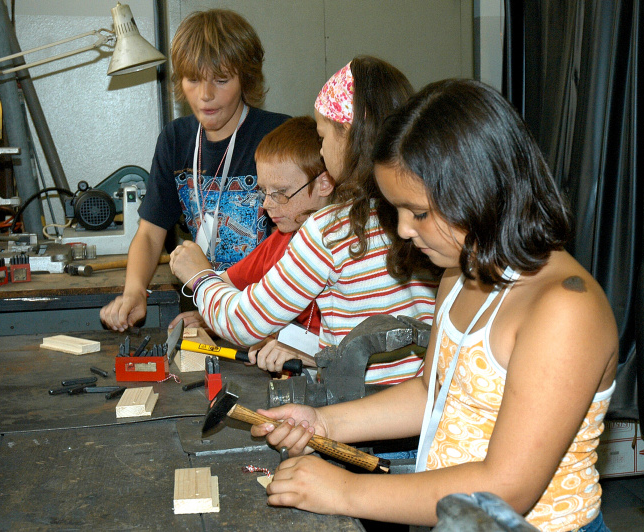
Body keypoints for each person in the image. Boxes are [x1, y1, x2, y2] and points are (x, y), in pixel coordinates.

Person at [250, 79, 619, 532]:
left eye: (418, 212)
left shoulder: (564, 311)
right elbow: (434, 393)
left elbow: (504, 488)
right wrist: (323, 423)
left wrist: (345, 492)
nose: (403, 229)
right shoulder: (460, 274)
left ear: (480, 190)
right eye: (396, 211)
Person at [169, 56, 439, 382]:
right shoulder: (426, 217)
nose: (322, 153)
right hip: (418, 409)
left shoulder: (331, 230)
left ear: (350, 136)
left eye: (323, 138)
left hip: (357, 412)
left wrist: (199, 278)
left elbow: (242, 323)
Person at [100, 9, 289, 332]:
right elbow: (149, 233)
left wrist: (220, 316)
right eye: (193, 79)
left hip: (270, 311)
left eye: (221, 80)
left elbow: (295, 252)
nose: (205, 95)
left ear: (246, 77)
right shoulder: (176, 140)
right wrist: (134, 292)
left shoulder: (279, 138)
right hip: (209, 303)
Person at [171, 116, 334, 371]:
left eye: (280, 192)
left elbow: (353, 346)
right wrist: (210, 316)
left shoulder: (334, 242)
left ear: (324, 183)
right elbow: (229, 284)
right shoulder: (281, 240)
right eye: (263, 191)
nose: (266, 204)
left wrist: (200, 276)